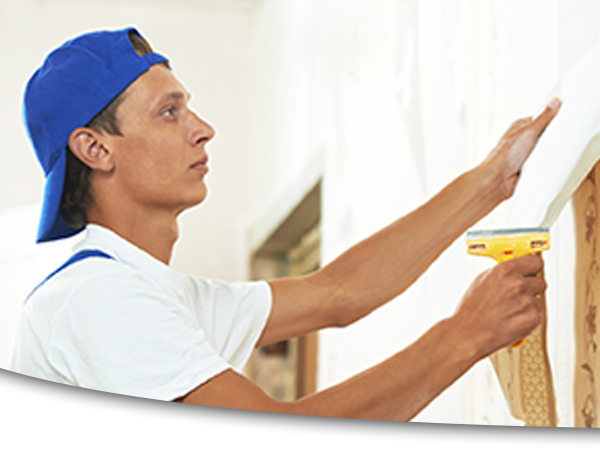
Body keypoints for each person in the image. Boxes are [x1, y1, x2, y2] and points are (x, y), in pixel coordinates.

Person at [11, 27, 561, 421]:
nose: (203, 129)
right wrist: (464, 336)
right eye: (169, 112)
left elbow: (339, 293)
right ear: (94, 148)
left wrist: (492, 180)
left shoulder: (159, 295)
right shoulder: (95, 299)